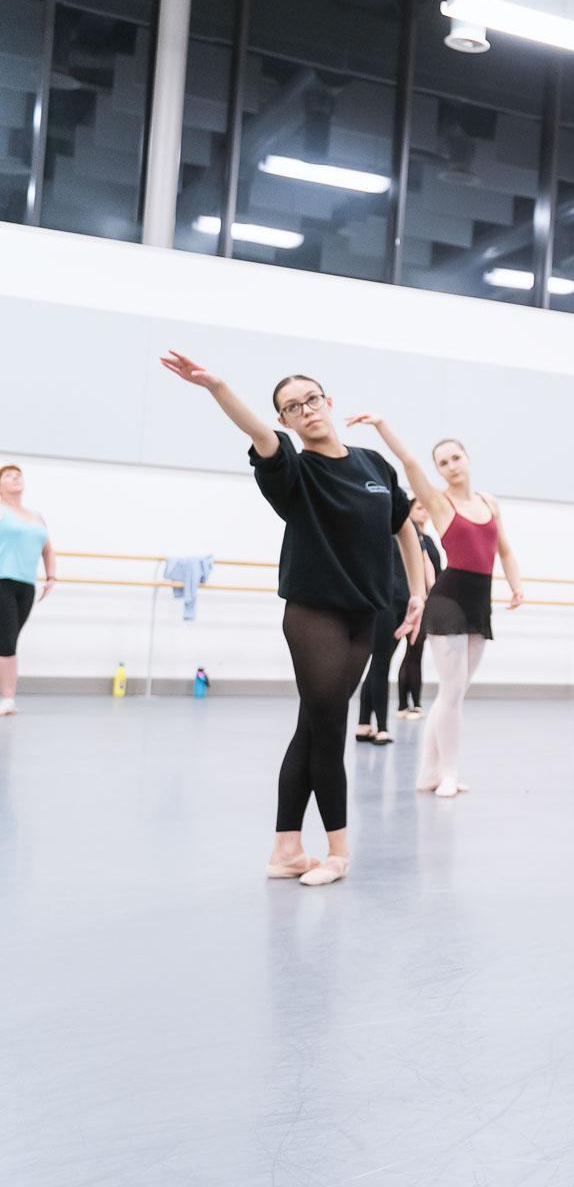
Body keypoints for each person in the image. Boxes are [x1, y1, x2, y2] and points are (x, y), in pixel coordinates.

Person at [158, 353, 424, 886]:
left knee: (313, 723)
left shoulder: (374, 464)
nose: (305, 410)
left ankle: (285, 848)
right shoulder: (294, 470)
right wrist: (218, 386)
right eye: (291, 407)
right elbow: (259, 434)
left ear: (329, 402)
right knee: (329, 727)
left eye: (311, 399)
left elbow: (404, 527)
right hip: (313, 613)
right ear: (285, 420)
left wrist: (417, 593)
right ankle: (339, 851)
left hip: (365, 616)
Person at [347, 417, 523, 798]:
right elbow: (409, 461)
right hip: (448, 600)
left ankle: (429, 772)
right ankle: (448, 773)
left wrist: (516, 586)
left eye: (456, 458)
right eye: (443, 462)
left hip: (480, 602)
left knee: (453, 695)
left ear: (467, 458)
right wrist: (380, 426)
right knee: (451, 692)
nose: (451, 466)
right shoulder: (439, 503)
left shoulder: (489, 502)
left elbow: (503, 549)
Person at [0, 464, 56, 717]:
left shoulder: (36, 516)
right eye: (8, 476)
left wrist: (51, 576)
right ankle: (8, 700)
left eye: (18, 475)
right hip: (2, 582)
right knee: (7, 643)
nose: (15, 478)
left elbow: (48, 549)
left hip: (26, 587)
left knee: (6, 640)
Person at [354, 528, 409, 745]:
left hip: (404, 604)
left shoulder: (409, 532)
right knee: (381, 663)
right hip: (383, 603)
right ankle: (382, 727)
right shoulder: (376, 527)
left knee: (379, 664)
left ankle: (363, 724)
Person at [395, 501, 440, 719]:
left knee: (414, 652)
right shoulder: (404, 536)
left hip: (425, 602)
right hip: (406, 599)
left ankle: (413, 704)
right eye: (419, 507)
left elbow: (435, 572)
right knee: (408, 652)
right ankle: (406, 704)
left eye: (426, 507)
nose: (424, 510)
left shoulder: (429, 541)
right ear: (409, 511)